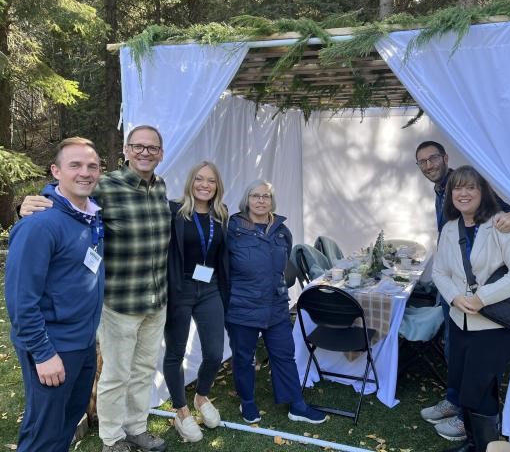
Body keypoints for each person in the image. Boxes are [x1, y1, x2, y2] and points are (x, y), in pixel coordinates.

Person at [19, 125, 171, 452]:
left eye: (152, 148)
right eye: (138, 146)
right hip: (119, 301)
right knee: (116, 375)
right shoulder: (106, 185)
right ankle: (113, 438)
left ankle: (135, 428)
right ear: (127, 151)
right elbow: (68, 192)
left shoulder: (160, 186)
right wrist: (35, 201)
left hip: (156, 299)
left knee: (144, 370)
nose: (145, 152)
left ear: (161, 153)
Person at [415, 140, 510, 442]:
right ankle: (461, 412)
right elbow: (440, 269)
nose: (428, 165)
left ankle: (477, 431)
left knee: (479, 377)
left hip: (489, 315)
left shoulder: (495, 222)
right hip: (459, 307)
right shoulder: (449, 216)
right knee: (459, 365)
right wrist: (454, 296)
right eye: (422, 161)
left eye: (433, 158)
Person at [5, 137, 104, 452]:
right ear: (56, 171)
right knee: (43, 436)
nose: (85, 172)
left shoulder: (91, 216)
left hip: (83, 343)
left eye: (92, 166)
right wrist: (43, 353)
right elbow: (21, 301)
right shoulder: (40, 224)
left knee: (64, 426)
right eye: (75, 165)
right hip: (52, 348)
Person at [225, 179, 327, 425]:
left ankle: (296, 404)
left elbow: (282, 268)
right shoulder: (232, 229)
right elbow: (220, 265)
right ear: (246, 200)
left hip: (277, 306)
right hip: (242, 307)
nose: (261, 200)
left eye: (266, 196)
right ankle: (247, 403)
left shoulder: (282, 231)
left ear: (272, 201)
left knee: (284, 355)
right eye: (255, 196)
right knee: (243, 357)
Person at [163, 161, 229, 442]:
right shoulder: (174, 211)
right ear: (191, 181)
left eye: (211, 181)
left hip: (210, 288)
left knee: (214, 353)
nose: (205, 185)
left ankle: (202, 397)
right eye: (199, 179)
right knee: (175, 352)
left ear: (217, 186)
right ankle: (181, 410)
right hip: (180, 289)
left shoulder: (221, 215)